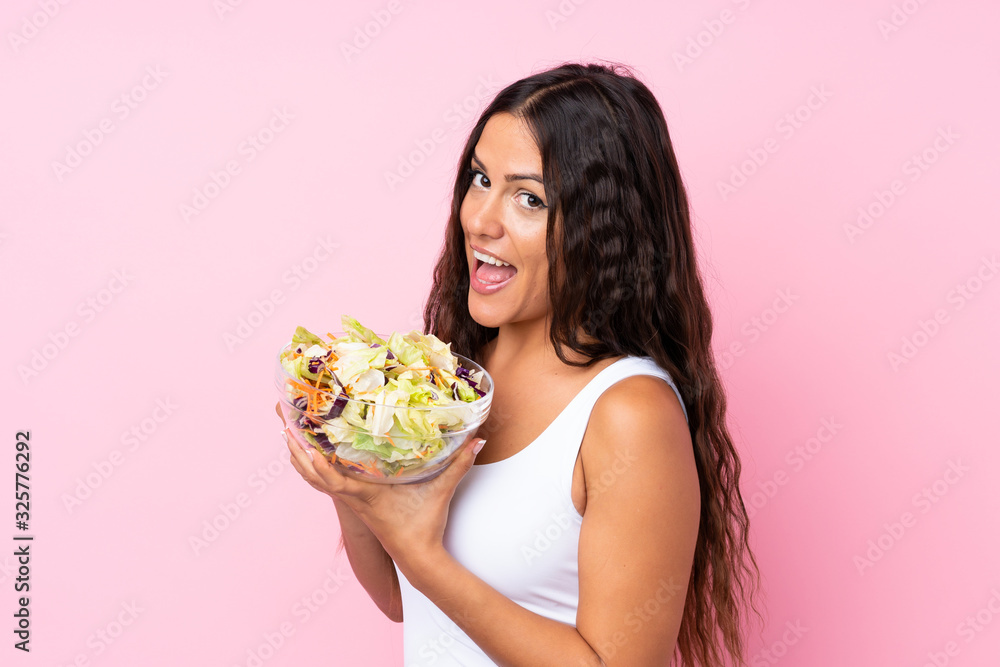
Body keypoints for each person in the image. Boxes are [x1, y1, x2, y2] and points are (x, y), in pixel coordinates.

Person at [281, 61, 764, 666]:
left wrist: (422, 553)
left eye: (528, 197)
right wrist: (347, 471)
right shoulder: (457, 377)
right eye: (480, 179)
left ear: (604, 229)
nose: (481, 220)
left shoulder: (629, 413)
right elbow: (404, 601)